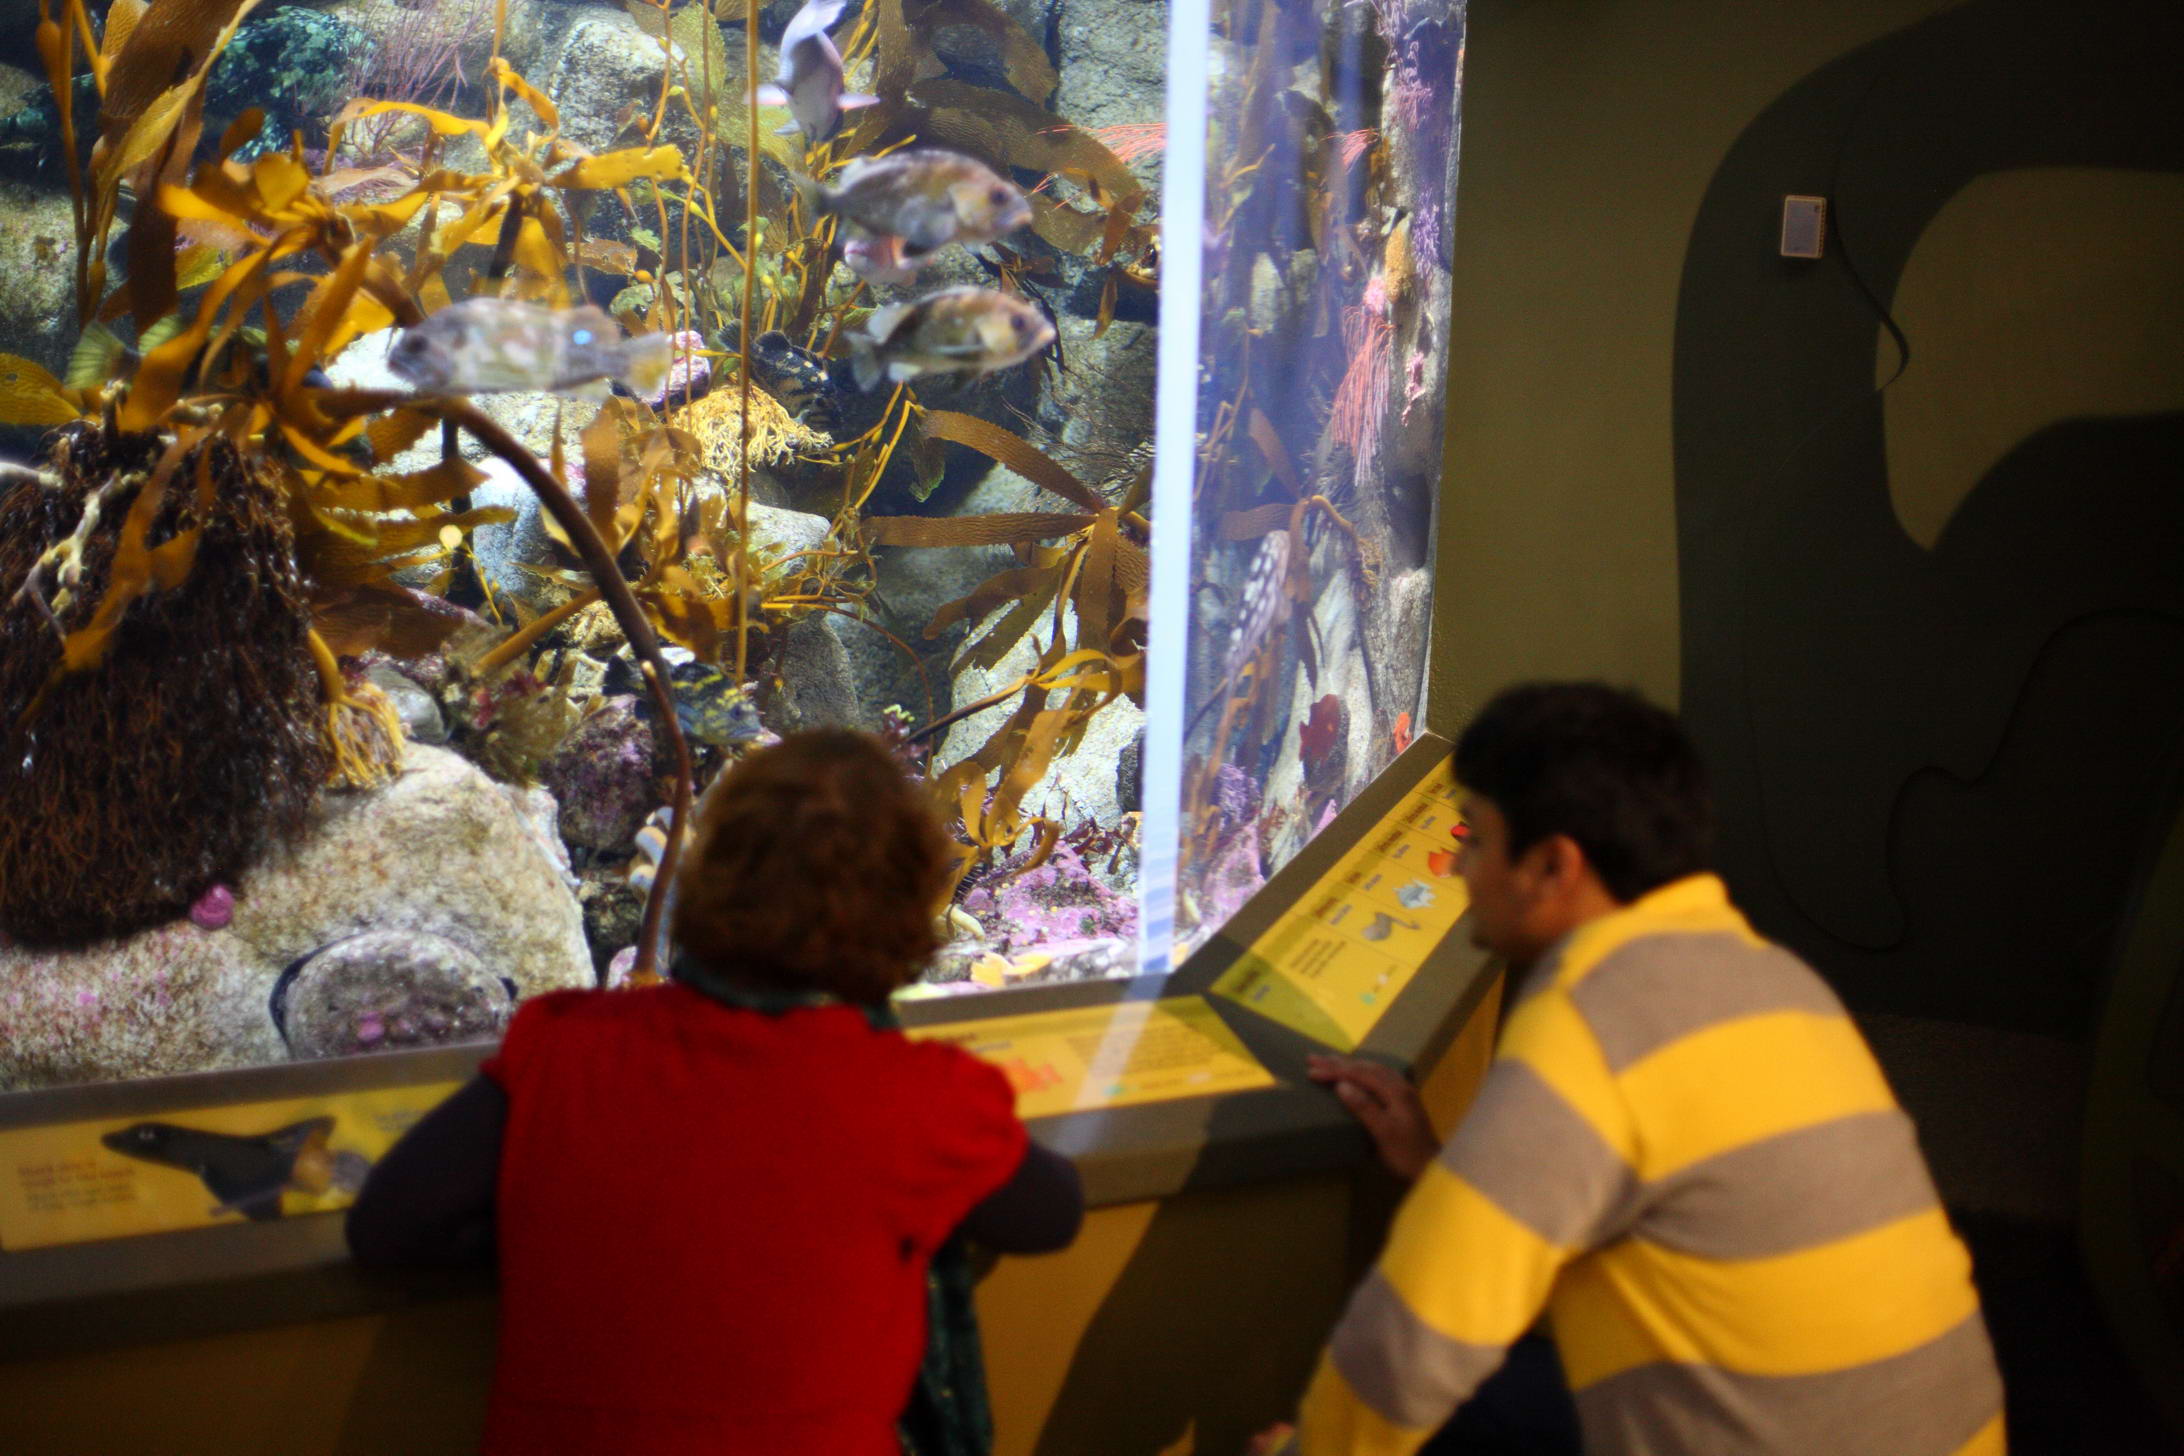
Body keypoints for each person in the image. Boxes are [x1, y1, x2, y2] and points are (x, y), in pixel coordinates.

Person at [1256, 683, 2004, 1455]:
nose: (1456, 869)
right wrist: (1439, 1171)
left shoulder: (1590, 1026)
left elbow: (1413, 1340)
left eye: (1474, 839)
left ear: (1552, 865)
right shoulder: (1775, 978)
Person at [347, 729, 1083, 1456]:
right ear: (908, 911)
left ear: (706, 878)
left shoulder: (565, 1049)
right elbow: (1050, 1215)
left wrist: (558, 1235)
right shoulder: (923, 1096)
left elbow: (387, 1225)